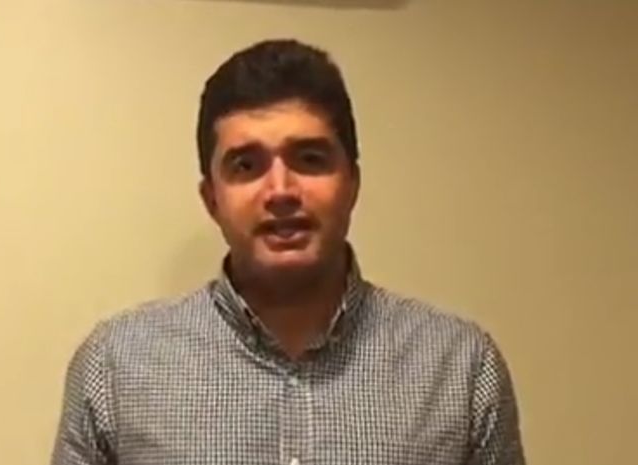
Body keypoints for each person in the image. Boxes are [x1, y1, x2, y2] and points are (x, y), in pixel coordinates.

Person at [51, 39, 525, 465]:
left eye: (310, 159)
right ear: (212, 198)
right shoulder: (115, 367)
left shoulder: (460, 367)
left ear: (352, 183)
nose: (280, 191)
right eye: (246, 166)